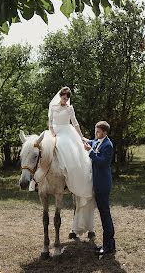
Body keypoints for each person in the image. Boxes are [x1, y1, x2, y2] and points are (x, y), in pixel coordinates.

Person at [36, 86, 95, 235]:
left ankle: (70, 180)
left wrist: (81, 137)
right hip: (55, 132)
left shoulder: (70, 109)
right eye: (64, 97)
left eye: (67, 97)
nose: (65, 99)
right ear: (60, 96)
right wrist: (53, 133)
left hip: (68, 134)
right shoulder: (53, 107)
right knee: (42, 152)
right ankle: (36, 181)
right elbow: (50, 123)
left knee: (74, 157)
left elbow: (75, 123)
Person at [84, 121, 116, 256]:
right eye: (95, 130)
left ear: (104, 132)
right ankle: (109, 245)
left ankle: (108, 247)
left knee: (105, 215)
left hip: (103, 185)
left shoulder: (108, 145)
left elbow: (102, 163)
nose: (96, 133)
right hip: (98, 184)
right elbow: (89, 141)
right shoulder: (97, 141)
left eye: (98, 131)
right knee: (103, 214)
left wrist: (90, 152)